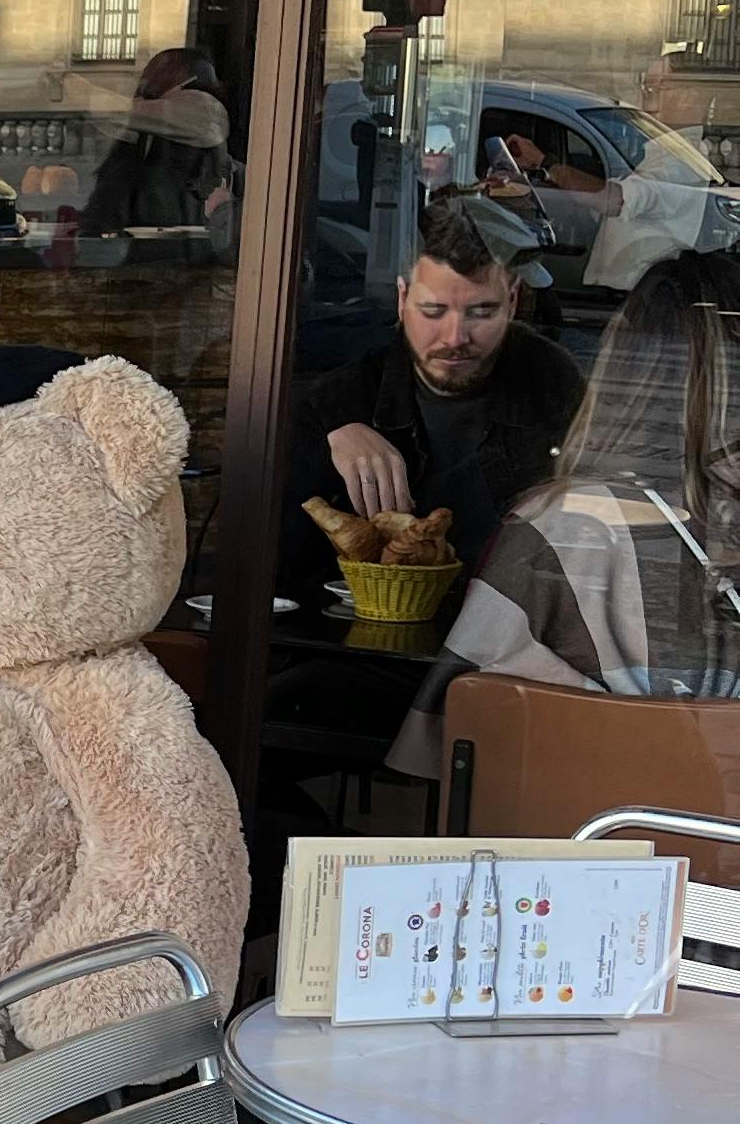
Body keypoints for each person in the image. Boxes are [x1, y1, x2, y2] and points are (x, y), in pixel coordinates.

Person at [390, 253, 740, 775]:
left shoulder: (558, 527)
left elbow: (442, 737)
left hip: (594, 817)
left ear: (625, 365)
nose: (457, 334)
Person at [285, 189, 586, 587]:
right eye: (433, 311)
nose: (455, 337)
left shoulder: (552, 383)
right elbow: (285, 572)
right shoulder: (342, 398)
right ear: (402, 299)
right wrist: (331, 431)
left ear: (512, 302)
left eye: (481, 311)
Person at [82, 47, 238, 254]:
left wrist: (84, 93)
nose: (146, 79)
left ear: (175, 73)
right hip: (155, 229)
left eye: (154, 72)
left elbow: (124, 113)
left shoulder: (201, 106)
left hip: (179, 228)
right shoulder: (157, 119)